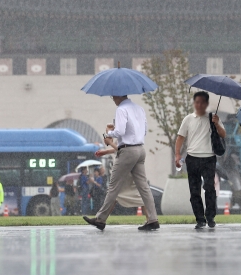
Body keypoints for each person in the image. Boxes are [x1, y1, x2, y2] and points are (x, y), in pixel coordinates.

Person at [83, 95, 160, 231]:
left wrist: (108, 134)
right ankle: (153, 219)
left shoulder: (121, 109)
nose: (112, 98)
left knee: (113, 186)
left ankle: (100, 219)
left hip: (127, 151)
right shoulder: (139, 109)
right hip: (140, 149)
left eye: (113, 96)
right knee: (144, 187)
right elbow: (144, 130)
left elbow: (120, 131)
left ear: (119, 95)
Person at [174, 91, 226, 229]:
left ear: (207, 104)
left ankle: (210, 217)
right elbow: (180, 137)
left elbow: (223, 134)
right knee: (194, 191)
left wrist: (217, 124)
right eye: (197, 102)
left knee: (210, 188)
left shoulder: (213, 118)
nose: (199, 105)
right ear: (194, 103)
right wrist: (177, 155)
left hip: (209, 158)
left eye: (202, 102)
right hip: (192, 158)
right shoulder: (188, 119)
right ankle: (200, 219)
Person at [95, 140, 149, 220]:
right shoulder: (126, 135)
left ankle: (100, 220)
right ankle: (151, 219)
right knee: (116, 193)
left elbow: (121, 149)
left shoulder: (125, 133)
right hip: (128, 165)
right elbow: (119, 149)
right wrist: (106, 151)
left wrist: (109, 143)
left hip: (126, 166)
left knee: (114, 192)